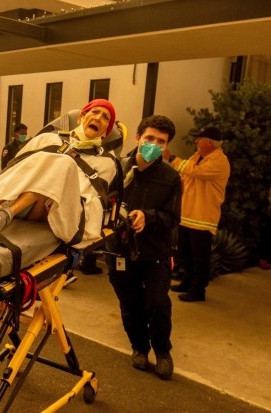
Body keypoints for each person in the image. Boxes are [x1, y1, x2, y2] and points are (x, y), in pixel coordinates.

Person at [0, 99, 118, 248]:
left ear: (105, 133)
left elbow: (87, 198)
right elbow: (16, 171)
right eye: (95, 112)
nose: (98, 118)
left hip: (60, 213)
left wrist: (59, 177)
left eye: (105, 118)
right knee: (48, 163)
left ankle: (2, 217)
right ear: (81, 117)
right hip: (23, 200)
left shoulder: (107, 162)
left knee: (64, 163)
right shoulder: (48, 139)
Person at [106, 115, 182, 380]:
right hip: (120, 251)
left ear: (166, 146)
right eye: (149, 138)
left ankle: (162, 352)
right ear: (138, 138)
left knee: (157, 304)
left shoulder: (171, 177)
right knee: (130, 304)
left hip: (155, 253)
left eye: (161, 142)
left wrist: (147, 216)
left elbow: (173, 218)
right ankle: (139, 348)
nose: (154, 144)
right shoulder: (117, 168)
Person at [165, 125, 230, 302]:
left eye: (199, 139)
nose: (196, 142)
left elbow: (195, 172)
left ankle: (198, 290)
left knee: (200, 257)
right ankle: (187, 282)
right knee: (186, 253)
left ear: (209, 142)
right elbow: (186, 175)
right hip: (187, 216)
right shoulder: (198, 156)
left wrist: (171, 158)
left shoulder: (220, 161)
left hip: (203, 218)